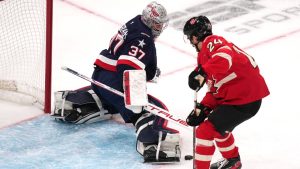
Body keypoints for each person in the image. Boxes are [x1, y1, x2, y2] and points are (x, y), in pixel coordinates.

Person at [52, 1, 181, 163]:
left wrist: (148, 70)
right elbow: (128, 68)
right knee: (148, 110)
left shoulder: (136, 21)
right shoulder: (145, 38)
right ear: (148, 20)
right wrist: (135, 101)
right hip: (115, 80)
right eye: (156, 24)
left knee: (111, 99)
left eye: (160, 24)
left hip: (99, 76)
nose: (158, 28)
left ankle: (79, 102)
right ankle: (152, 142)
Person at [183, 15, 270, 169]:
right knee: (218, 127)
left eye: (190, 37)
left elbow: (224, 58)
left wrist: (203, 72)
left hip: (243, 98)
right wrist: (203, 108)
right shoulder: (205, 56)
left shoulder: (212, 42)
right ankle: (233, 161)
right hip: (241, 97)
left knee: (205, 131)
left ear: (195, 37)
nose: (190, 41)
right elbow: (216, 89)